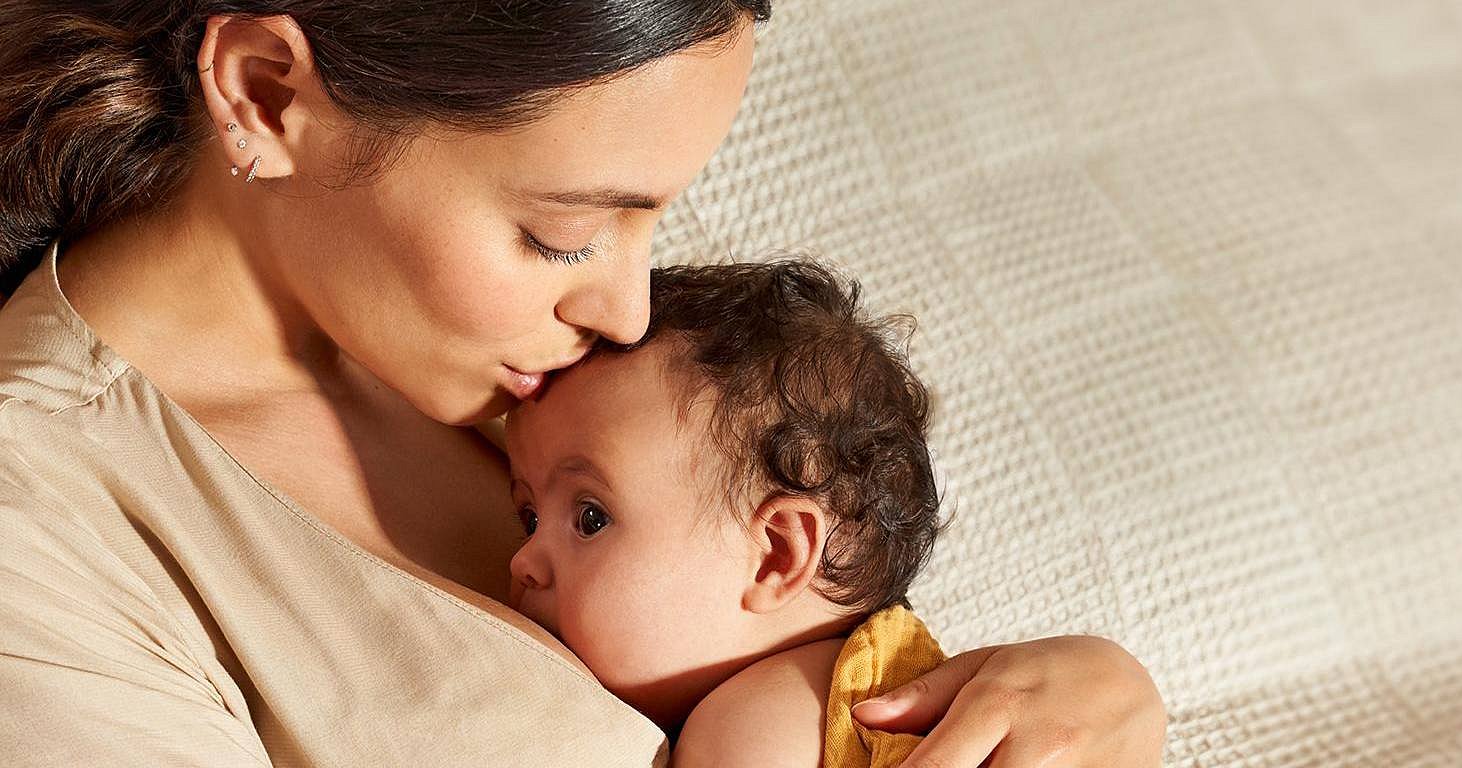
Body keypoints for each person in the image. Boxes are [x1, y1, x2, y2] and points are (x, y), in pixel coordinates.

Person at [0, 2, 1166, 766]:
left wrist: (1085, 698)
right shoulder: (41, 526)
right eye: (563, 235)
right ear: (263, 92)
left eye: (653, 224)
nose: (627, 309)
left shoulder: (565, 379)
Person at [507, 260, 949, 767]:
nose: (524, 561)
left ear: (775, 556)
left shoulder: (759, 728)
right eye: (529, 518)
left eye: (590, 518)